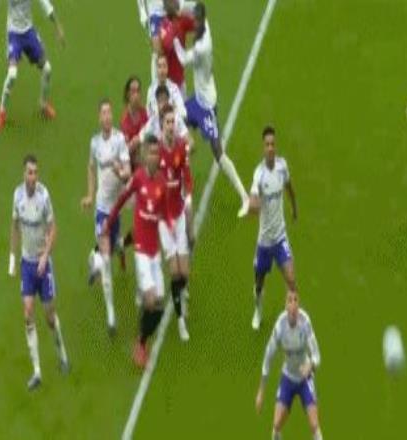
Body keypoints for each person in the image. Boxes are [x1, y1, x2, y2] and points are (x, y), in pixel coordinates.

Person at [174, 2, 250, 218]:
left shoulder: (202, 47)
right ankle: (179, 181)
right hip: (198, 99)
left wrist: (173, 37)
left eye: (197, 21)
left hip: (206, 105)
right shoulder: (203, 25)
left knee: (218, 152)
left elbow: (182, 58)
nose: (195, 24)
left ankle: (244, 197)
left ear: (202, 21)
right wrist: (178, 9)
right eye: (195, 20)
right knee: (175, 122)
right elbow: (188, 5)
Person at [103, 135, 172, 368]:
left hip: (155, 251)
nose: (155, 157)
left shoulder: (162, 183)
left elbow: (164, 212)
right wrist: (108, 223)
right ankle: (140, 345)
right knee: (152, 300)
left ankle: (142, 335)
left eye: (157, 153)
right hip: (142, 250)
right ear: (144, 156)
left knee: (159, 306)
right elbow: (122, 200)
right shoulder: (139, 178)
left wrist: (170, 228)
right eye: (151, 153)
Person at [9, 154, 69, 390]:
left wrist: (45, 256)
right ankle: (37, 371)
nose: (33, 177)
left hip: (43, 265)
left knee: (49, 317)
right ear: (24, 174)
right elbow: (14, 226)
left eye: (35, 172)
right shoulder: (17, 196)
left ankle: (62, 354)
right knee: (27, 313)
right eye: (30, 172)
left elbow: (54, 228)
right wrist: (12, 258)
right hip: (27, 264)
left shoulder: (44, 196)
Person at [0, 0, 65, 131]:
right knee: (12, 75)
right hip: (14, 35)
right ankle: (2, 110)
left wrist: (58, 27)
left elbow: (46, 5)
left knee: (47, 69)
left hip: (29, 33)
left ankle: (44, 104)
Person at [82, 99, 131, 334]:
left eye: (110, 112)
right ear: (99, 118)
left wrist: (118, 170)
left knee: (112, 247)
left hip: (116, 208)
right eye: (103, 113)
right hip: (102, 209)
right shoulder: (94, 143)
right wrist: (90, 195)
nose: (107, 116)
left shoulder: (120, 140)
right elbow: (91, 168)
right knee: (106, 258)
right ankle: (111, 314)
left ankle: (95, 260)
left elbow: (127, 174)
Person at [255, 290, 323, 440]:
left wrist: (310, 366)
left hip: (305, 379)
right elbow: (268, 356)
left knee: (314, 425)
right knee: (277, 424)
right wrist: (261, 390)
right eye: (289, 301)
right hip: (288, 378)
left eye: (295, 300)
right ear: (285, 306)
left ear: (298, 305)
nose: (293, 305)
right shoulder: (280, 327)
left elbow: (317, 355)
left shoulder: (305, 323)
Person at [248, 126, 297, 330]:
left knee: (291, 280)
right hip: (264, 242)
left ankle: (292, 316)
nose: (270, 148)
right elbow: (253, 200)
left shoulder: (282, 167)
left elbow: (289, 187)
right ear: (263, 147)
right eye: (267, 144)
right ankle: (258, 310)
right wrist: (253, 205)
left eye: (273, 144)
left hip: (280, 237)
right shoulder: (259, 175)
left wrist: (294, 207)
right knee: (259, 283)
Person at [158, 105, 193, 341]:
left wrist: (188, 199)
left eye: (173, 122)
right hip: (164, 220)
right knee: (174, 272)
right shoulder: (156, 153)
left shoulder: (181, 148)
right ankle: (180, 320)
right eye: (168, 122)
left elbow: (187, 178)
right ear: (162, 125)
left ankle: (181, 292)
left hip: (179, 216)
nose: (171, 126)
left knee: (184, 272)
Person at [158, 0, 196, 96]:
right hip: (168, 83)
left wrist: (187, 9)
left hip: (180, 80)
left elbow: (198, 23)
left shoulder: (181, 20)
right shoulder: (163, 26)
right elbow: (168, 45)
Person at [146, 54, 187, 119]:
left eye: (164, 66)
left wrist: (173, 112)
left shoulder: (174, 88)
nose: (162, 70)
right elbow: (148, 113)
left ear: (168, 69)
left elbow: (183, 113)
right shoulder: (151, 90)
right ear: (156, 69)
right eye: (159, 66)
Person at [120, 76, 149, 169]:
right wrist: (134, 143)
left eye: (138, 91)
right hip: (133, 163)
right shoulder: (125, 121)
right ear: (128, 94)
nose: (136, 95)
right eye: (133, 91)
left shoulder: (145, 113)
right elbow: (125, 151)